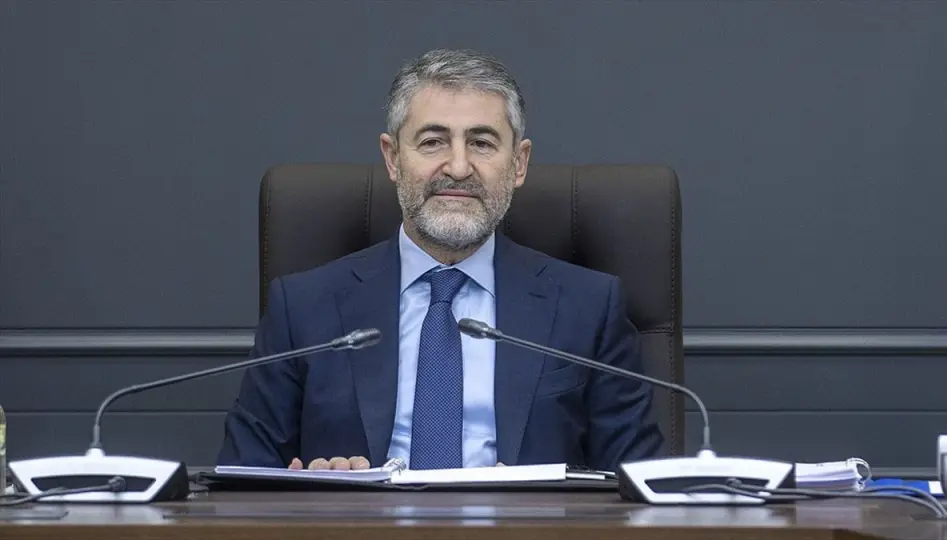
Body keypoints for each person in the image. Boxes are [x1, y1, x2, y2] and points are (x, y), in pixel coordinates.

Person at [217, 48, 663, 472]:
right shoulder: (303, 308)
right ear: (393, 158)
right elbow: (243, 475)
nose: (458, 167)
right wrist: (321, 489)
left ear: (519, 163)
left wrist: (539, 497)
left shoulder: (587, 307)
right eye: (433, 142)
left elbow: (638, 480)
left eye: (482, 143)